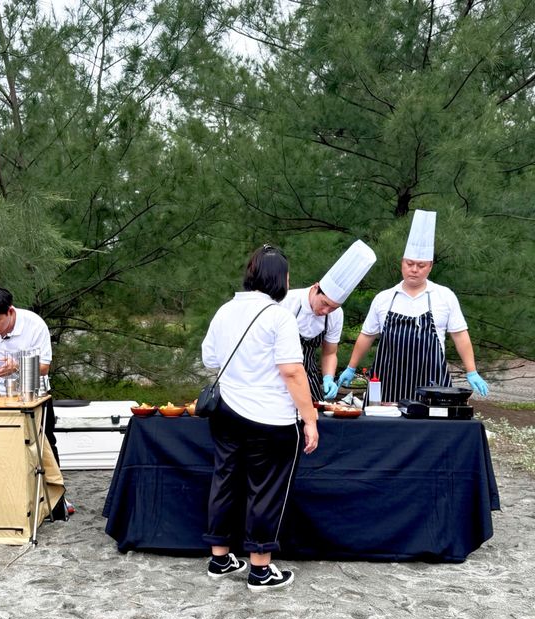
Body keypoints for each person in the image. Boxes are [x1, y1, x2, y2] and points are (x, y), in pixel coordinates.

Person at [201, 244, 318, 592]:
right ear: (280, 279)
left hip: (227, 412)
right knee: (265, 490)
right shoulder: (278, 316)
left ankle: (220, 558)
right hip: (269, 417)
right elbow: (293, 372)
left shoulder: (225, 310)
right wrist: (309, 417)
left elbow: (210, 359)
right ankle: (260, 570)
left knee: (224, 481)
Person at [337, 210, 489, 403]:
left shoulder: (444, 296)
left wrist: (472, 371)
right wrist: (351, 367)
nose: (414, 269)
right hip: (387, 385)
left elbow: (460, 335)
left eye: (421, 265)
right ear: (402, 263)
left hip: (432, 386)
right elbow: (367, 335)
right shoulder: (384, 298)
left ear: (430, 266)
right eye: (410, 263)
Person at [0, 285, 73, 515]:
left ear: (10, 311)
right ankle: (4, 499)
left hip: (34, 393)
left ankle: (57, 502)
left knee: (44, 443)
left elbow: (45, 367)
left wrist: (17, 365)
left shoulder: (34, 324)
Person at [281, 240, 377, 402]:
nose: (326, 311)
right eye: (325, 304)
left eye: (333, 307)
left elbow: (330, 352)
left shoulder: (336, 314)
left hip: (308, 376)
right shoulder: (286, 301)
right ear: (316, 288)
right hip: (278, 375)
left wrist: (328, 378)